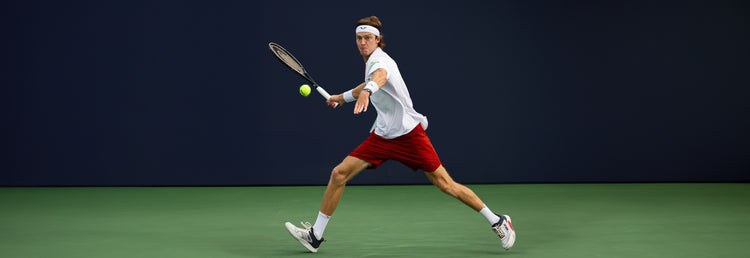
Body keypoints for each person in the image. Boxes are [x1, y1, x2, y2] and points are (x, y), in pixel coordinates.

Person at [284, 16, 515, 253]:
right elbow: (365, 83)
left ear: (377, 40)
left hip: (408, 134)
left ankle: (498, 221)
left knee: (445, 184)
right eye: (359, 38)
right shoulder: (370, 62)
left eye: (368, 38)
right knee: (339, 174)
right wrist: (342, 98)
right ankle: (315, 236)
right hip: (383, 135)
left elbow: (379, 77)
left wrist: (369, 91)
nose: (363, 42)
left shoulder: (381, 61)